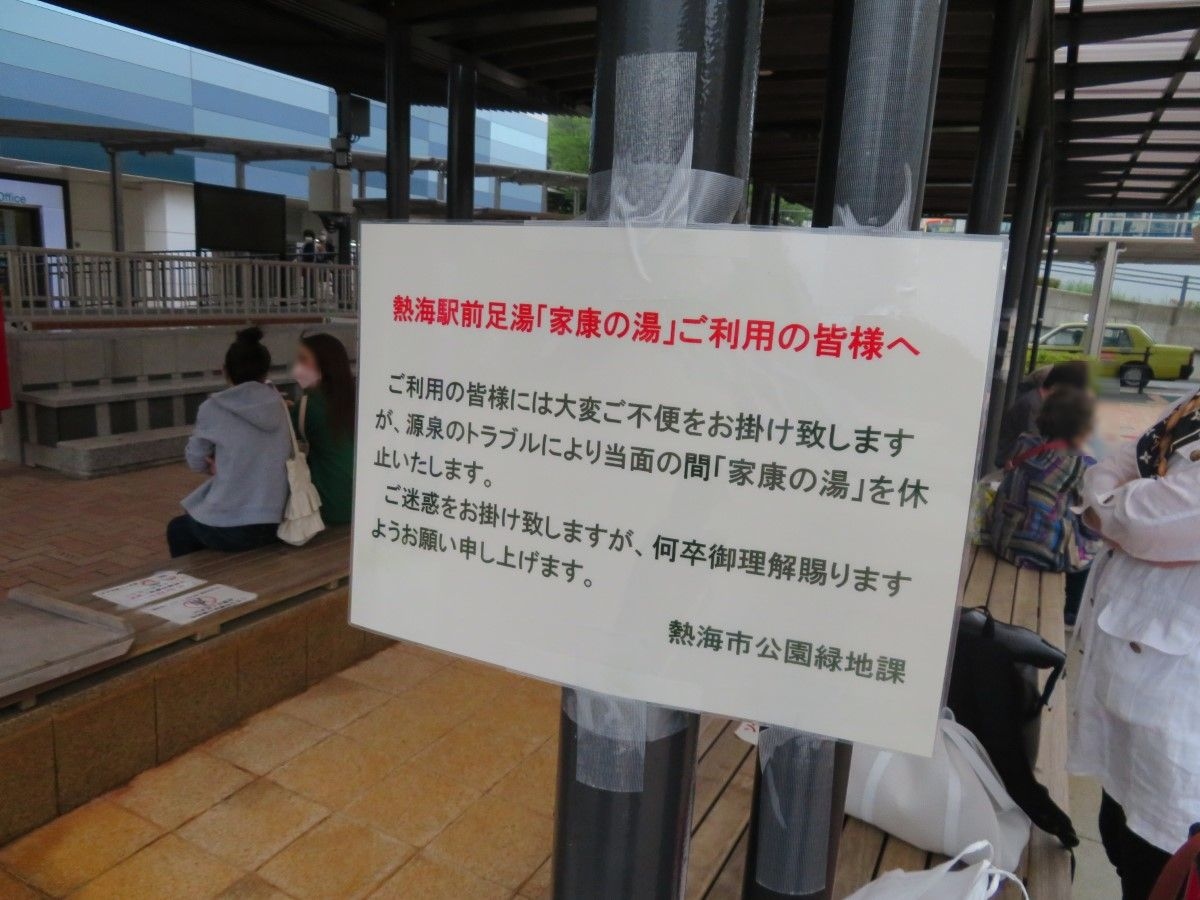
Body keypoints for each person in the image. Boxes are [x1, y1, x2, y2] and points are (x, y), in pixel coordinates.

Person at [1071, 389, 1200, 900]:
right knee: (1122, 836)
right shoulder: (1191, 403)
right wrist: (1116, 508)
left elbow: (1149, 522)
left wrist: (1117, 512)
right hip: (1134, 695)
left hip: (1179, 720)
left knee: (1162, 871)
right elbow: (1116, 467)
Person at [167, 327, 291, 557]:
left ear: (224, 370)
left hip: (232, 527)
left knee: (177, 530)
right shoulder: (280, 404)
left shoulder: (212, 408)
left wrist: (218, 462)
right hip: (275, 521)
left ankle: (195, 579)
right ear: (266, 371)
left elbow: (195, 460)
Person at [986, 386, 1101, 625]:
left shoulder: (1024, 442)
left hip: (1003, 540)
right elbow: (1091, 518)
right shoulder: (1082, 464)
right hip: (1041, 555)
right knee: (1094, 544)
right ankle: (1071, 611)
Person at [290, 333, 355, 525]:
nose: (297, 367)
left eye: (303, 360)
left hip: (328, 507)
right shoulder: (355, 398)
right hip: (359, 503)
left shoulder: (307, 406)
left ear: (323, 365)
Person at [995, 359, 1091, 468]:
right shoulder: (1033, 405)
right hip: (1012, 464)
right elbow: (1036, 446)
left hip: (1027, 462)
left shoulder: (1041, 402)